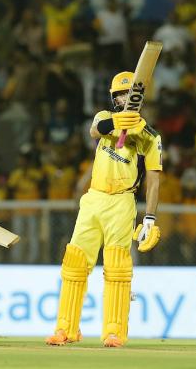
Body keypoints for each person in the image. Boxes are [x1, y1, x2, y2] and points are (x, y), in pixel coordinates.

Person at [45, 71, 163, 348]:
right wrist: (119, 122)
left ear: (139, 97)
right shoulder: (102, 117)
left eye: (129, 94)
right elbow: (95, 130)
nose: (124, 98)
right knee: (74, 263)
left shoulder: (149, 136)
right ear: (114, 97)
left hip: (122, 202)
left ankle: (114, 331)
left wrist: (150, 218)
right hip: (93, 198)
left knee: (117, 268)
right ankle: (65, 329)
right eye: (120, 94)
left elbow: (155, 179)